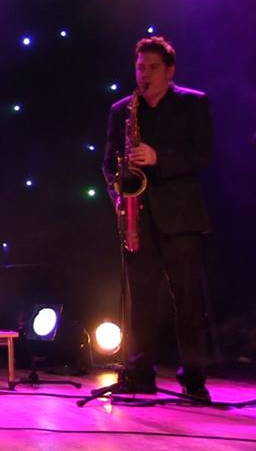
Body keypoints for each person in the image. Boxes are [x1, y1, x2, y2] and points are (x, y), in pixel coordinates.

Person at [101, 36, 214, 401]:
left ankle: (193, 377)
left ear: (170, 71)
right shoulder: (122, 109)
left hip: (181, 217)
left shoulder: (193, 103)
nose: (144, 75)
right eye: (140, 68)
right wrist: (120, 197)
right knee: (141, 300)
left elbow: (203, 154)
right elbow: (108, 163)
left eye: (152, 68)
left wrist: (158, 157)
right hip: (139, 216)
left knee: (188, 300)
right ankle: (140, 372)